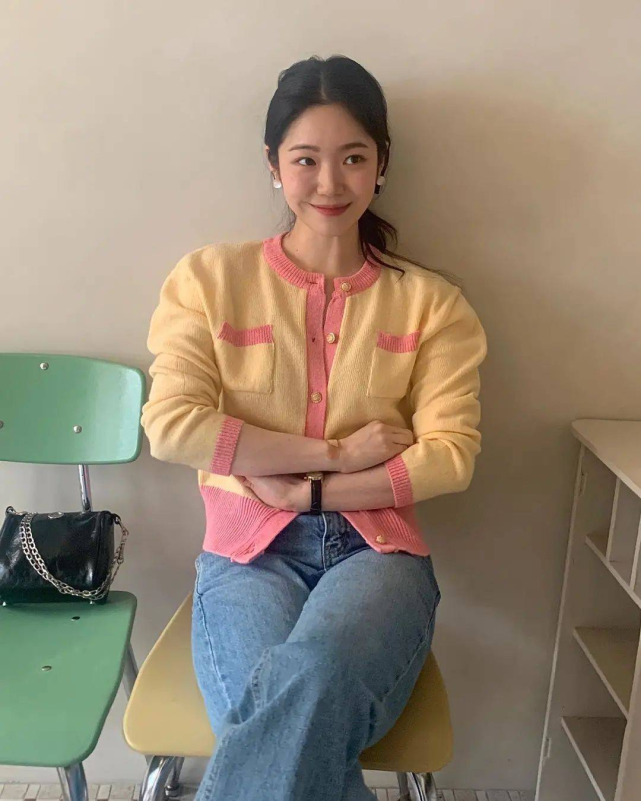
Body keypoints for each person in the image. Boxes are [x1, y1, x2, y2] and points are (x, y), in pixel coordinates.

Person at [141, 54, 488, 801]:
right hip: (246, 555)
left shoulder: (433, 305)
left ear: (381, 165)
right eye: (305, 159)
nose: (329, 182)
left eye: (352, 158)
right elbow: (172, 425)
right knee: (289, 716)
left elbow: (451, 455)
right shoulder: (207, 281)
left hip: (378, 553)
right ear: (273, 165)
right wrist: (334, 452)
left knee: (305, 679)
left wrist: (310, 494)